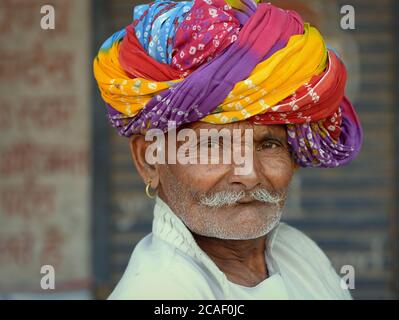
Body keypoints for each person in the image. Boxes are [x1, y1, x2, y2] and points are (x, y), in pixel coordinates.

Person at [93, 0, 362, 299]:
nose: (248, 175)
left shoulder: (300, 252)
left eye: (268, 144)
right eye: (212, 145)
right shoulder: (160, 292)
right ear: (149, 161)